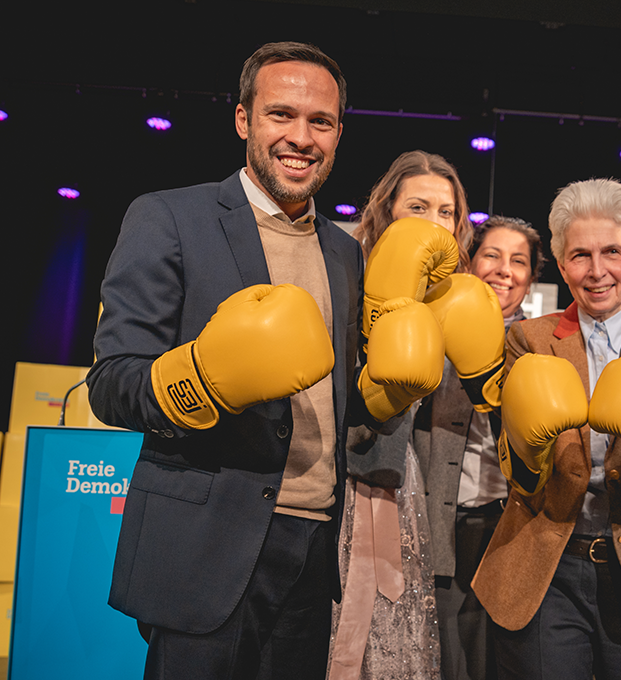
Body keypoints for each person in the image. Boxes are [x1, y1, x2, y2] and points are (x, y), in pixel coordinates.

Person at [87, 42, 361, 679]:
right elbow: (111, 382)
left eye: (320, 122)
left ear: (339, 133)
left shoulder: (344, 253)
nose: (300, 138)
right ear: (244, 120)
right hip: (206, 544)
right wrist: (202, 382)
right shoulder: (169, 218)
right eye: (280, 115)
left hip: (314, 546)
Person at [473, 178, 621, 680]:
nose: (597, 271)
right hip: (545, 564)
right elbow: (519, 468)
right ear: (560, 262)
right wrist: (530, 450)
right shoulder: (528, 338)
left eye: (612, 252)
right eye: (579, 255)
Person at [327, 149, 475, 680]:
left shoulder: (452, 297)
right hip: (331, 483)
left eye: (445, 212)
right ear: (386, 210)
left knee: (394, 642)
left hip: (398, 485)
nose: (434, 223)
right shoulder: (344, 270)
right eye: (418, 206)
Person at [412, 215, 545, 680]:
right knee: (446, 658)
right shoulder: (432, 327)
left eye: (519, 261)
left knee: (503, 661)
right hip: (440, 521)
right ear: (469, 263)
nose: (504, 270)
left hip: (511, 525)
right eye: (492, 255)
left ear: (532, 276)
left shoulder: (542, 344)